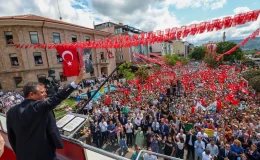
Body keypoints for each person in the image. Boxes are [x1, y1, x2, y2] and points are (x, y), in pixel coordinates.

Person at [6, 68, 86, 160]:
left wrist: (18, 152)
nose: (45, 94)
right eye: (42, 92)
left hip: (22, 155)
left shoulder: (11, 111)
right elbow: (58, 97)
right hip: (44, 154)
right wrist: (76, 81)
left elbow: (11, 137)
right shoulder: (38, 107)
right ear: (31, 94)